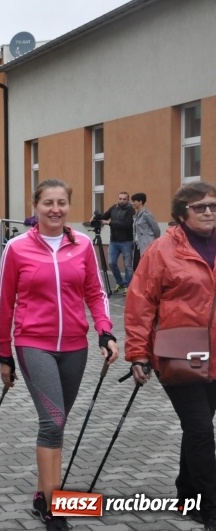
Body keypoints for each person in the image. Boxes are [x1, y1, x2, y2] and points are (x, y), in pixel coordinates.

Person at [0, 179, 117, 531]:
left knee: (58, 422)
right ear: (35, 206)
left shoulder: (82, 245)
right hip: (33, 344)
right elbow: (4, 304)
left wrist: (105, 330)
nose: (55, 209)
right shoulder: (16, 248)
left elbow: (96, 292)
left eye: (61, 202)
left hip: (75, 346)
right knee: (52, 422)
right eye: (48, 202)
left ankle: (42, 493)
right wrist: (4, 353)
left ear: (69, 206)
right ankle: (53, 507)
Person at [125, 181, 216, 530]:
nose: (208, 212)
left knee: (197, 428)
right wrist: (138, 353)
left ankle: (186, 494)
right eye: (199, 207)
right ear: (181, 214)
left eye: (213, 206)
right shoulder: (162, 250)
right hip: (180, 348)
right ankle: (210, 507)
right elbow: (140, 303)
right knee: (200, 429)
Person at [96, 191, 135, 293]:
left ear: (128, 200)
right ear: (117, 199)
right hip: (113, 241)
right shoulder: (114, 208)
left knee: (128, 265)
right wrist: (96, 218)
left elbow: (127, 224)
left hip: (126, 241)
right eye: (120, 199)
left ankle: (127, 286)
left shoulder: (130, 210)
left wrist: (109, 223)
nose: (122, 201)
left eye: (124, 199)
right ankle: (120, 283)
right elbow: (105, 216)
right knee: (111, 263)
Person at [131, 192, 161, 268]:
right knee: (136, 266)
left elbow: (156, 229)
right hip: (137, 245)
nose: (132, 203)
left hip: (146, 244)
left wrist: (153, 242)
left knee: (145, 266)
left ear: (140, 202)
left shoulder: (146, 214)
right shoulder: (136, 215)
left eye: (134, 201)